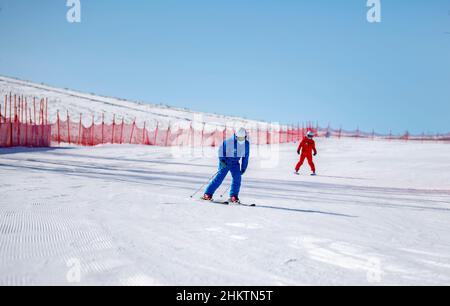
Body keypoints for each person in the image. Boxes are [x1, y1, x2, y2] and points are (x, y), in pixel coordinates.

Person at [202, 128, 250, 203]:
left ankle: (233, 196)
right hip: (226, 161)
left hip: (235, 163)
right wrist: (222, 160)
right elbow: (221, 150)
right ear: (236, 136)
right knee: (219, 178)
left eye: (242, 138)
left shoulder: (246, 144)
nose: (241, 139)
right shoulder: (229, 141)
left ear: (245, 137)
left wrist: (243, 168)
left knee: (237, 178)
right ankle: (207, 194)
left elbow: (245, 157)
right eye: (239, 138)